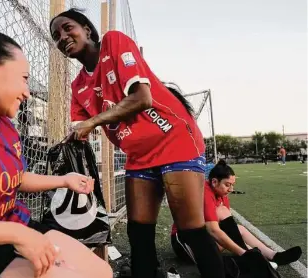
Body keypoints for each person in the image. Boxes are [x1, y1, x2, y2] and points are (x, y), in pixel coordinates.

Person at [50, 9, 225, 278]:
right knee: (138, 233)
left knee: (191, 231)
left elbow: (142, 98)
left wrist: (92, 121)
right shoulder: (78, 87)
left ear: (86, 28)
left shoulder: (114, 41)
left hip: (175, 141)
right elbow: (81, 129)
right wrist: (73, 138)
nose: (62, 37)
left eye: (67, 28)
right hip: (139, 154)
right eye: (56, 36)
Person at [0, 31, 112, 278]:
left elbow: (17, 177)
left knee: (102, 272)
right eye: (24, 78)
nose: (27, 92)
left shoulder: (7, 128)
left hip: (18, 227)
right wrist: (16, 234)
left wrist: (65, 180)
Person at [171, 160, 302, 268]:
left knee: (239, 229)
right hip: (186, 246)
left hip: (202, 241)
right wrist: (244, 254)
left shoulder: (221, 193)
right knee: (222, 213)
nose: (231, 189)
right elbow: (213, 231)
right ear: (214, 181)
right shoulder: (205, 192)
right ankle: (250, 257)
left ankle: (273, 255)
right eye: (228, 185)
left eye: (232, 185)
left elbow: (229, 229)